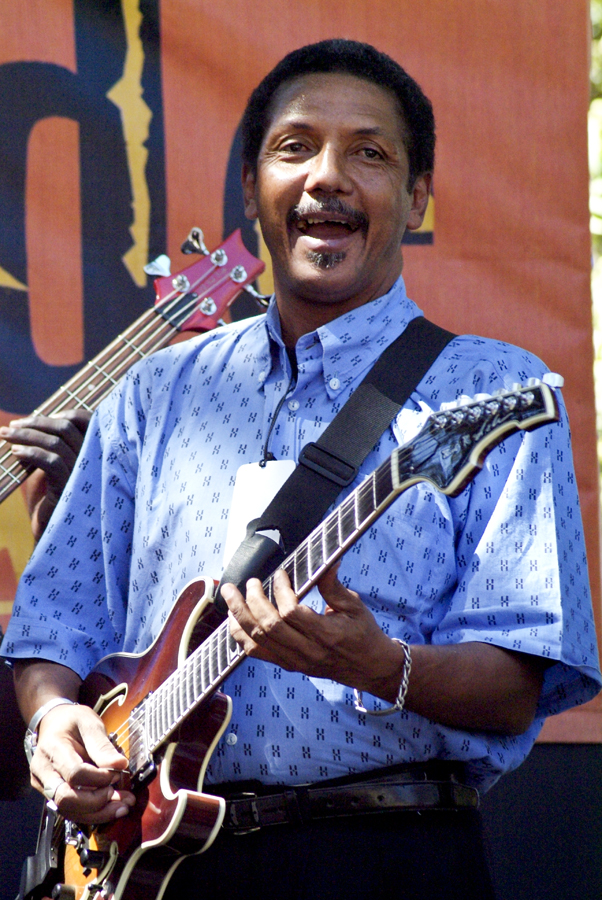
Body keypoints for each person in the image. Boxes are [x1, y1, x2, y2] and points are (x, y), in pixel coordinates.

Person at [2, 38, 600, 899]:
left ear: (417, 196)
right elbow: (54, 628)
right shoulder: (156, 390)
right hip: (144, 866)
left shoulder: (495, 389)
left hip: (384, 856)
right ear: (251, 190)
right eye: (295, 148)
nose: (327, 176)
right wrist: (55, 722)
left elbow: (519, 680)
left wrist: (378, 663)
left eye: (370, 153)